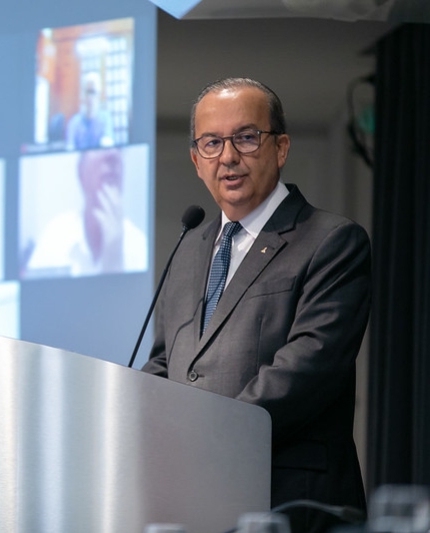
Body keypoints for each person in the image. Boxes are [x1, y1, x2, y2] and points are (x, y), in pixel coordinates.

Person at [141, 78, 370, 533]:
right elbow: (166, 364)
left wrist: (209, 439)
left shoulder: (331, 240)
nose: (228, 157)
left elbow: (309, 365)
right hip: (196, 502)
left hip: (290, 502)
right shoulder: (188, 248)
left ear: (280, 148)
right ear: (196, 160)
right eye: (211, 143)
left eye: (246, 137)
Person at [26, 147, 147, 277]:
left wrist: (114, 262)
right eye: (99, 147)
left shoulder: (139, 247)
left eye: (119, 149)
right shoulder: (54, 236)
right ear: (80, 172)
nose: (112, 154)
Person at [66, 72, 114, 151]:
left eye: (93, 92)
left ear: (99, 95)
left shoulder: (106, 119)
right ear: (82, 94)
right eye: (87, 92)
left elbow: (108, 145)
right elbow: (69, 148)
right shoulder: (74, 122)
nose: (90, 97)